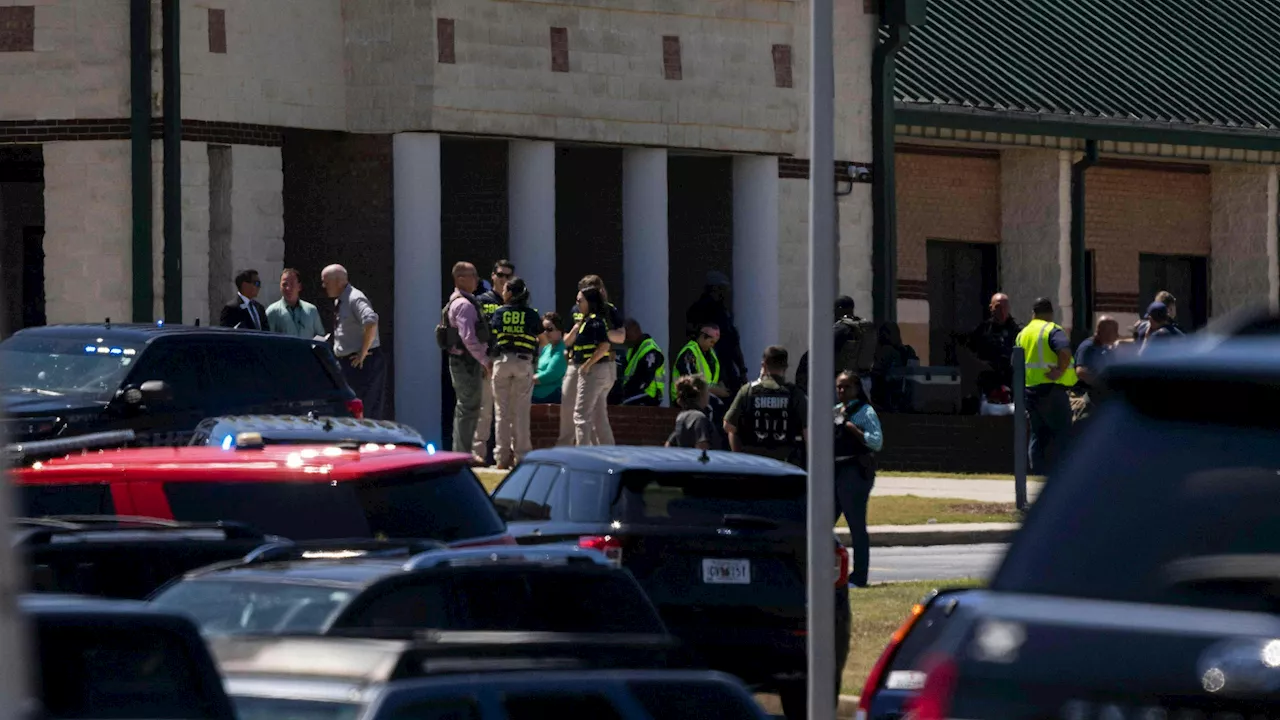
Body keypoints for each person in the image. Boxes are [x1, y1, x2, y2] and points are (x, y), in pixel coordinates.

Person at [556, 275, 625, 446]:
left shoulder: (608, 311)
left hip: (600, 363)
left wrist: (595, 332)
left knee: (592, 412)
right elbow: (565, 341)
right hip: (576, 363)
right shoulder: (577, 311)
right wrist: (577, 329)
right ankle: (566, 447)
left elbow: (620, 337)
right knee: (570, 405)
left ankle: (597, 452)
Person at [1014, 297, 1077, 475]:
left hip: (1030, 392)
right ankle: (1064, 476)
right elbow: (1064, 351)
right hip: (1052, 390)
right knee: (1063, 434)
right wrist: (1059, 370)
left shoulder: (1023, 333)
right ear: (1050, 313)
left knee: (1038, 435)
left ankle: (1038, 474)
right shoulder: (1051, 329)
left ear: (1033, 313)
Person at [834, 370, 883, 588]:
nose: (842, 390)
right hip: (834, 469)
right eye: (839, 387)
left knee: (856, 525)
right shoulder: (835, 411)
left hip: (855, 471)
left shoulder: (865, 411)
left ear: (856, 388)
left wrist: (854, 430)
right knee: (821, 525)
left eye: (846, 386)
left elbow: (876, 441)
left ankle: (859, 576)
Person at [723, 345, 807, 465]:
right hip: (785, 463)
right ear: (785, 367)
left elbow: (728, 426)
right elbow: (807, 432)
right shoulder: (795, 394)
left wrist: (739, 457)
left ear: (764, 365)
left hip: (752, 463)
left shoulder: (748, 391)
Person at [322, 264, 386, 420]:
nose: (323, 286)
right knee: (349, 408)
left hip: (362, 364)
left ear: (338, 281)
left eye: (326, 282)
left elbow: (371, 321)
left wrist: (362, 353)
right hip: (347, 364)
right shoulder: (340, 300)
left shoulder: (354, 298)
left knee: (365, 409)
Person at [440, 262, 490, 460]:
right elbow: (468, 338)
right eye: (473, 275)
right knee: (468, 408)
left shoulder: (463, 301)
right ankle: (462, 455)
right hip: (466, 363)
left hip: (464, 361)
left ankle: (462, 453)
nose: (477, 279)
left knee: (467, 408)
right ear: (460, 279)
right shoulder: (464, 305)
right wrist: (486, 360)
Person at [489, 277, 540, 469]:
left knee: (502, 413)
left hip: (502, 362)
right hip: (523, 362)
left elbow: (491, 335)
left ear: (510, 293)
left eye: (505, 290)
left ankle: (501, 459)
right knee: (521, 413)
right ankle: (521, 458)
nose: (502, 292)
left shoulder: (499, 312)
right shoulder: (531, 314)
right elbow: (540, 336)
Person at [471, 260, 515, 466]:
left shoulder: (516, 303)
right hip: (488, 361)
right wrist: (481, 359)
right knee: (484, 411)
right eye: (501, 275)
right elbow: (473, 333)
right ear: (493, 276)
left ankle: (504, 457)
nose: (504, 279)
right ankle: (478, 455)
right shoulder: (481, 300)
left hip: (508, 360)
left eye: (508, 276)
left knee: (507, 412)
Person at [795, 296, 876, 396]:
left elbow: (819, 351)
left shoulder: (841, 328)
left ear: (840, 309)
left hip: (843, 382)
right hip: (864, 380)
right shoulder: (864, 327)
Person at [686, 271, 747, 394]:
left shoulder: (722, 310)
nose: (724, 293)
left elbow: (733, 340)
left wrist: (741, 369)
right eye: (722, 289)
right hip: (715, 360)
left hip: (724, 360)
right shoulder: (704, 310)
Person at [566, 286, 613, 446]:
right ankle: (606, 453)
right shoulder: (586, 321)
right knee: (597, 415)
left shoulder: (595, 321)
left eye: (580, 300)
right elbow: (567, 342)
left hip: (593, 370)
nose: (577, 304)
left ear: (590, 302)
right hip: (596, 370)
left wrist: (587, 365)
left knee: (581, 415)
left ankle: (582, 455)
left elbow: (604, 346)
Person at [672, 323, 729, 421]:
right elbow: (691, 382)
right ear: (702, 336)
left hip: (705, 396)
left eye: (714, 343)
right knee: (715, 408)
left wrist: (723, 390)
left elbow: (719, 379)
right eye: (711, 341)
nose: (712, 345)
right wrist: (716, 390)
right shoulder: (689, 352)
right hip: (687, 397)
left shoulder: (711, 356)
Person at [969, 292, 1021, 395]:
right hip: (988, 380)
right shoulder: (983, 330)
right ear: (991, 308)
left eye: (1005, 307)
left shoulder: (1016, 331)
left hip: (1011, 380)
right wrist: (982, 365)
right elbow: (970, 352)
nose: (1002, 311)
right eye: (998, 307)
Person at [1072, 315, 1119, 423]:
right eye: (1114, 331)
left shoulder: (1105, 347)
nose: (1117, 334)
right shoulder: (1089, 347)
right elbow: (1081, 372)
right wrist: (1102, 385)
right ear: (1104, 332)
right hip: (1087, 399)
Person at [266, 268, 326, 339]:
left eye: (292, 284)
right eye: (284, 284)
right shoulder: (272, 311)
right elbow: (267, 340)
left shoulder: (311, 310)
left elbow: (320, 336)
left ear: (299, 287)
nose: (288, 288)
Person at [620, 318, 665, 406]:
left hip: (647, 396)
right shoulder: (632, 350)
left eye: (626, 335)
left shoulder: (651, 350)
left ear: (635, 330)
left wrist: (625, 391)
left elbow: (644, 377)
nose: (624, 339)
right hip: (634, 395)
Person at [665, 374, 715, 450]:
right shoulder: (699, 417)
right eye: (707, 391)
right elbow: (702, 448)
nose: (709, 395)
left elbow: (669, 445)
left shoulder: (681, 416)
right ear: (701, 394)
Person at [533, 312, 567, 404]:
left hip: (550, 394)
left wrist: (527, 380)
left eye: (549, 329)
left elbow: (550, 374)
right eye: (543, 329)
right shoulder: (547, 347)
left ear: (559, 330)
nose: (545, 332)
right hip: (535, 392)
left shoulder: (562, 349)